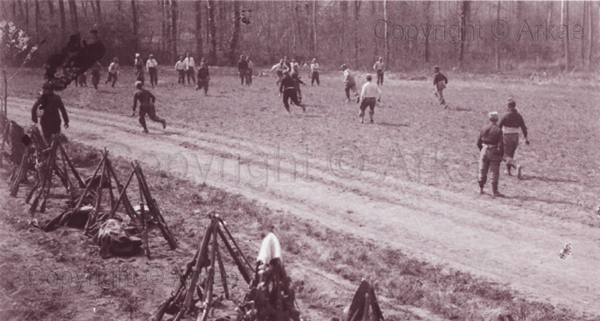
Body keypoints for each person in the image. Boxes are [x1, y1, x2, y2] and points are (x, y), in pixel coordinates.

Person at [498, 98, 529, 179]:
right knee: (511, 154)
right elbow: (523, 127)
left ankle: (516, 166)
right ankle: (508, 171)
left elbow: (498, 127)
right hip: (515, 136)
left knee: (505, 155)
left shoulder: (505, 115)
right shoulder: (519, 116)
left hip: (507, 136)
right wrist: (526, 138)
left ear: (508, 106)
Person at [476, 111, 504, 197]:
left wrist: (482, 150)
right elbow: (501, 145)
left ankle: (481, 189)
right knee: (494, 171)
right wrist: (500, 155)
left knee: (482, 169)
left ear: (489, 118)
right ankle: (494, 191)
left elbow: (478, 142)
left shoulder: (484, 128)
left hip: (484, 149)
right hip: (494, 150)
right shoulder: (498, 130)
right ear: (497, 119)